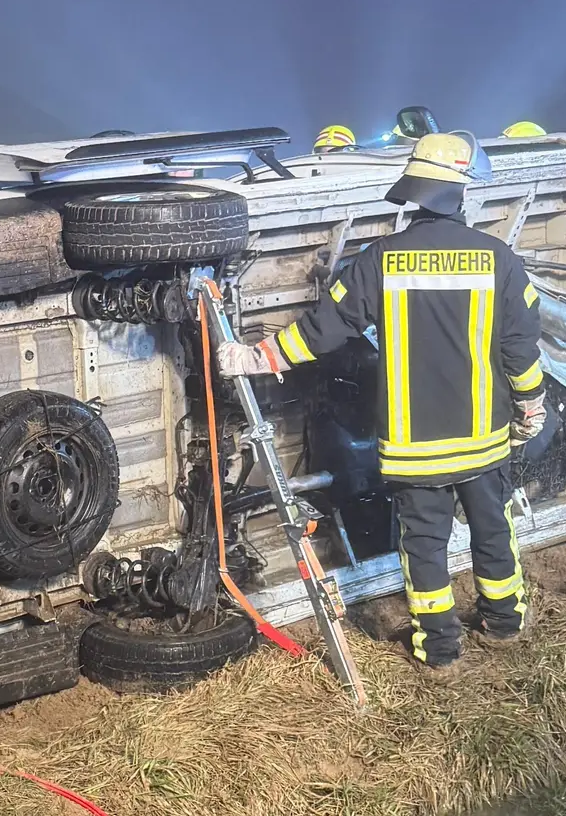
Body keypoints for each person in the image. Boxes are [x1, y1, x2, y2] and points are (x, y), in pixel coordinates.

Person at [215, 132, 547, 676]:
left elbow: (324, 330)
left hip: (416, 447)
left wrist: (257, 357)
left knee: (424, 546)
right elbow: (521, 347)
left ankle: (440, 651)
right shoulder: (498, 260)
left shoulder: (381, 260)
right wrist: (530, 404)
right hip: (484, 441)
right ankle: (504, 625)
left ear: (415, 191)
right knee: (493, 529)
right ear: (462, 192)